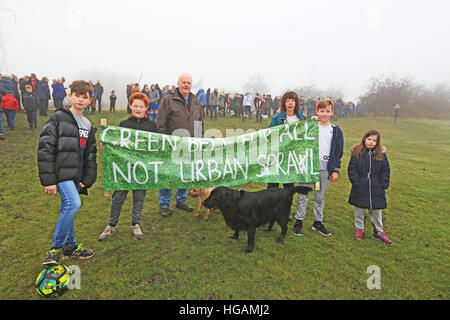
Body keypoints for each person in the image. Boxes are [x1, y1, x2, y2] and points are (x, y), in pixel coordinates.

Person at [38, 80, 97, 265]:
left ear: (90, 100)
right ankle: (55, 249)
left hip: (76, 176)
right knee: (73, 204)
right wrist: (48, 180)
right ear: (69, 96)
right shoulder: (58, 118)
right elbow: (45, 147)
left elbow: (90, 154)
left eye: (84, 97)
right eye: (77, 95)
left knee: (68, 208)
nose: (80, 100)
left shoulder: (87, 124)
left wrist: (87, 179)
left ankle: (70, 247)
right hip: (60, 173)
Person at [98, 92, 160, 241]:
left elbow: (159, 146)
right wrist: (107, 146)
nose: (138, 109)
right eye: (135, 106)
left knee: (139, 197)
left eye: (141, 106)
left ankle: (135, 224)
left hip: (142, 169)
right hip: (124, 168)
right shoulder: (124, 125)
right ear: (130, 106)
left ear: (146, 107)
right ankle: (111, 225)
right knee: (118, 197)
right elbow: (117, 144)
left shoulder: (152, 126)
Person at [293, 98, 344, 237]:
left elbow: (339, 152)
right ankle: (299, 220)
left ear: (332, 112)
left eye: (328, 111)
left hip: (324, 169)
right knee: (304, 194)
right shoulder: (310, 126)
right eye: (322, 111)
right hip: (309, 167)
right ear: (317, 111)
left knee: (319, 196)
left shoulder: (336, 131)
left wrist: (335, 170)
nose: (324, 114)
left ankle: (317, 222)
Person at [155, 72, 203, 217]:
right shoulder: (168, 100)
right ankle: (164, 204)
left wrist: (200, 140)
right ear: (178, 84)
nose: (186, 85)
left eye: (189, 82)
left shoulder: (196, 101)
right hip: (172, 144)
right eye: (184, 82)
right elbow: (160, 122)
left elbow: (200, 122)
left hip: (190, 145)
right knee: (168, 174)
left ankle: (181, 200)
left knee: (185, 174)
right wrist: (165, 141)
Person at [348, 129, 392, 244]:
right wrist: (356, 182)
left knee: (376, 211)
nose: (371, 142)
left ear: (377, 142)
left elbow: (386, 170)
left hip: (376, 187)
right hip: (360, 186)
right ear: (364, 139)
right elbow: (352, 169)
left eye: (374, 140)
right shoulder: (357, 152)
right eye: (369, 139)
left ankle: (378, 231)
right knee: (359, 209)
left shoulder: (381, 155)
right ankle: (360, 229)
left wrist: (383, 184)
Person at [267, 91, 306, 190]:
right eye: (287, 101)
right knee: (272, 185)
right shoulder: (277, 118)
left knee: (289, 187)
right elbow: (270, 135)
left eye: (292, 101)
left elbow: (305, 137)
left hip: (292, 158)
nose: (290, 103)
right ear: (284, 103)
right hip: (278, 156)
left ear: (296, 103)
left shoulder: (302, 118)